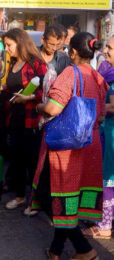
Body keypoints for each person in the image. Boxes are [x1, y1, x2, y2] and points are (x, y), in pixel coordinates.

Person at [32, 32, 108, 260]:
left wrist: (39, 108)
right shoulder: (98, 78)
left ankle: (85, 250)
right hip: (90, 145)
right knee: (69, 202)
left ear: (72, 51)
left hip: (67, 148)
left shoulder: (70, 73)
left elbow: (53, 108)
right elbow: (102, 115)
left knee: (51, 198)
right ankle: (55, 251)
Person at [2, 28, 47, 215]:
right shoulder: (13, 62)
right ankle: (20, 196)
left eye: (9, 45)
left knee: (33, 161)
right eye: (5, 45)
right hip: (15, 118)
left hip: (32, 120)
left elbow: (47, 90)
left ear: (20, 43)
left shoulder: (36, 64)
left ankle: (35, 201)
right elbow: (11, 86)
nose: (6, 49)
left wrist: (28, 98)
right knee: (17, 158)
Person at [82, 36, 114, 240]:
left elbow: (113, 107)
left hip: (112, 135)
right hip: (107, 131)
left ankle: (104, 226)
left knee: (109, 180)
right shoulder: (107, 69)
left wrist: (93, 107)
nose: (106, 50)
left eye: (110, 47)